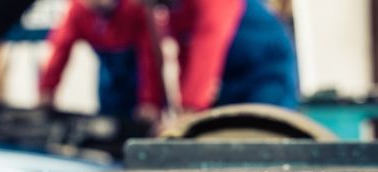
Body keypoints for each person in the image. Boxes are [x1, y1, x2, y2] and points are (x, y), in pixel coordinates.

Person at [156, 0, 299, 113]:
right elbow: (187, 57)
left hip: (267, 71)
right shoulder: (176, 9)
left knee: (262, 128)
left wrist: (190, 107)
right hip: (231, 79)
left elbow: (209, 38)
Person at [39, 0, 160, 120]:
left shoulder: (134, 8)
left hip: (137, 74)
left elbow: (149, 56)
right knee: (108, 119)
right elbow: (60, 51)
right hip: (108, 76)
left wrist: (150, 100)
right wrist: (47, 89)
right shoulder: (78, 11)